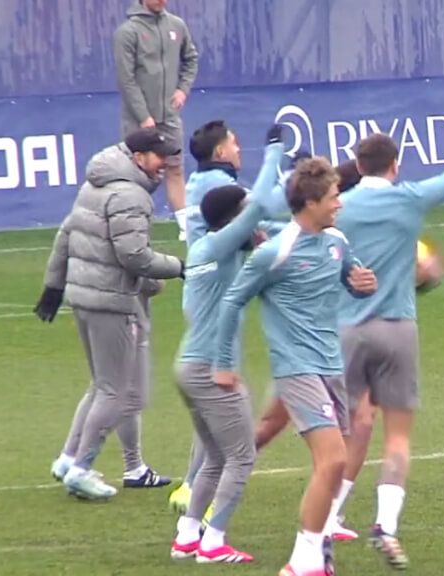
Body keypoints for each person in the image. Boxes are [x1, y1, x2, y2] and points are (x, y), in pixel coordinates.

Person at [328, 87, 444, 567]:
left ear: (357, 167)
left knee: (341, 433)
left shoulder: (339, 208)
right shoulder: (410, 200)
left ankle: (327, 518)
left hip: (347, 331)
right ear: (395, 165)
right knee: (397, 437)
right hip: (398, 328)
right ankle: (386, 524)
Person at [213, 157, 377, 576]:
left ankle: (316, 553)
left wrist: (361, 286)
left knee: (333, 464)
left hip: (330, 366)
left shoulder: (337, 242)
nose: (340, 203)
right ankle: (302, 562)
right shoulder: (275, 252)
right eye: (334, 197)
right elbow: (233, 301)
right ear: (310, 202)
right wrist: (224, 362)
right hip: (296, 368)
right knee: (334, 460)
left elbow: (350, 282)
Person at [33, 128, 186, 500]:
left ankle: (68, 459)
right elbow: (133, 255)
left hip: (84, 296)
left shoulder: (96, 183)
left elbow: (67, 235)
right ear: (138, 157)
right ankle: (81, 468)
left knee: (102, 385)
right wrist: (179, 267)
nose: (164, 163)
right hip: (111, 301)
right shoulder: (129, 194)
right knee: (118, 393)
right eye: (158, 156)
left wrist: (54, 287)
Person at [168, 125, 286, 564]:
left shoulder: (205, 249)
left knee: (216, 454)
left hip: (187, 364)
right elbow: (258, 208)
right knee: (241, 456)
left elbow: (257, 220)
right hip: (209, 368)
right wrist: (274, 151)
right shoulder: (222, 246)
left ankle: (187, 535)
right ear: (231, 220)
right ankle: (213, 542)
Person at [168, 119, 243, 515]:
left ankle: (193, 483)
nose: (239, 147)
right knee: (218, 398)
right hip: (216, 295)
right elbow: (260, 211)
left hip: (200, 290)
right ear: (219, 153)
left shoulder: (198, 183)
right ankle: (195, 487)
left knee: (208, 401)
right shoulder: (218, 188)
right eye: (233, 142)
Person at [114, 0, 199, 240]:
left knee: (174, 168)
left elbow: (191, 59)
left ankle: (185, 226)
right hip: (138, 121)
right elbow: (126, 79)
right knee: (138, 173)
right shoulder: (128, 32)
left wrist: (182, 89)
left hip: (170, 117)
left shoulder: (177, 25)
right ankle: (135, 226)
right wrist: (143, 116)